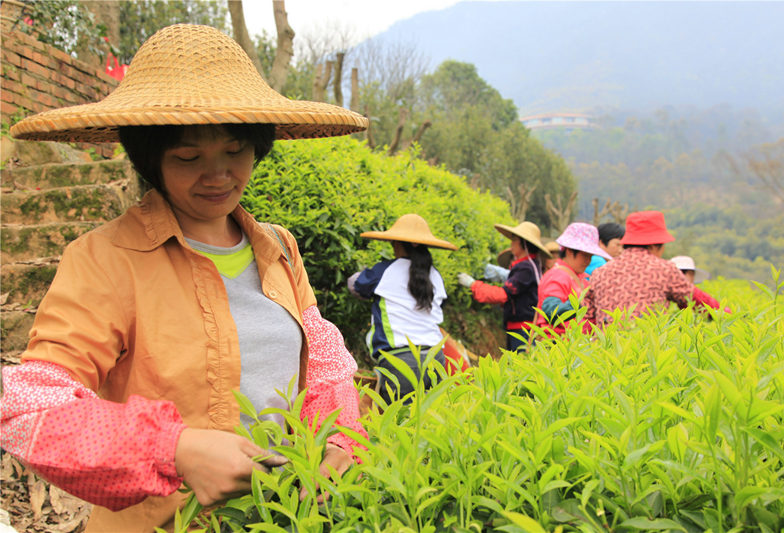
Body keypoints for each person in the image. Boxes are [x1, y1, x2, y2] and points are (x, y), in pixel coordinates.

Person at [1, 24, 369, 532]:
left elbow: (323, 359)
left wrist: (336, 442)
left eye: (235, 150)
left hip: (279, 517)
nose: (218, 175)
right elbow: (28, 409)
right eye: (189, 157)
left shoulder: (279, 248)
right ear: (150, 159)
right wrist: (174, 449)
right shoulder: (106, 259)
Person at [348, 214, 456, 404]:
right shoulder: (436, 276)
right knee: (429, 423)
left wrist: (361, 274)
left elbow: (357, 286)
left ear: (397, 244)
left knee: (398, 426)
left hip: (400, 361)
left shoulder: (383, 271)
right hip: (436, 359)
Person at [584, 211, 722, 326]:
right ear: (655, 246)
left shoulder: (600, 272)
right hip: (646, 348)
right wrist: (726, 315)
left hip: (605, 351)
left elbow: (587, 317)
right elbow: (695, 298)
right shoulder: (664, 269)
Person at [457, 221, 552, 351]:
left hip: (523, 329)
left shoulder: (526, 268)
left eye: (514, 240)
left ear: (523, 243)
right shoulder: (531, 265)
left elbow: (502, 295)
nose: (511, 244)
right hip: (522, 327)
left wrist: (473, 285)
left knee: (520, 366)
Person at [535, 223, 610, 336]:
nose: (588, 261)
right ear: (570, 251)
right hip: (558, 346)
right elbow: (550, 309)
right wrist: (581, 304)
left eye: (590, 257)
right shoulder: (557, 276)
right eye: (585, 256)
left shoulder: (582, 277)